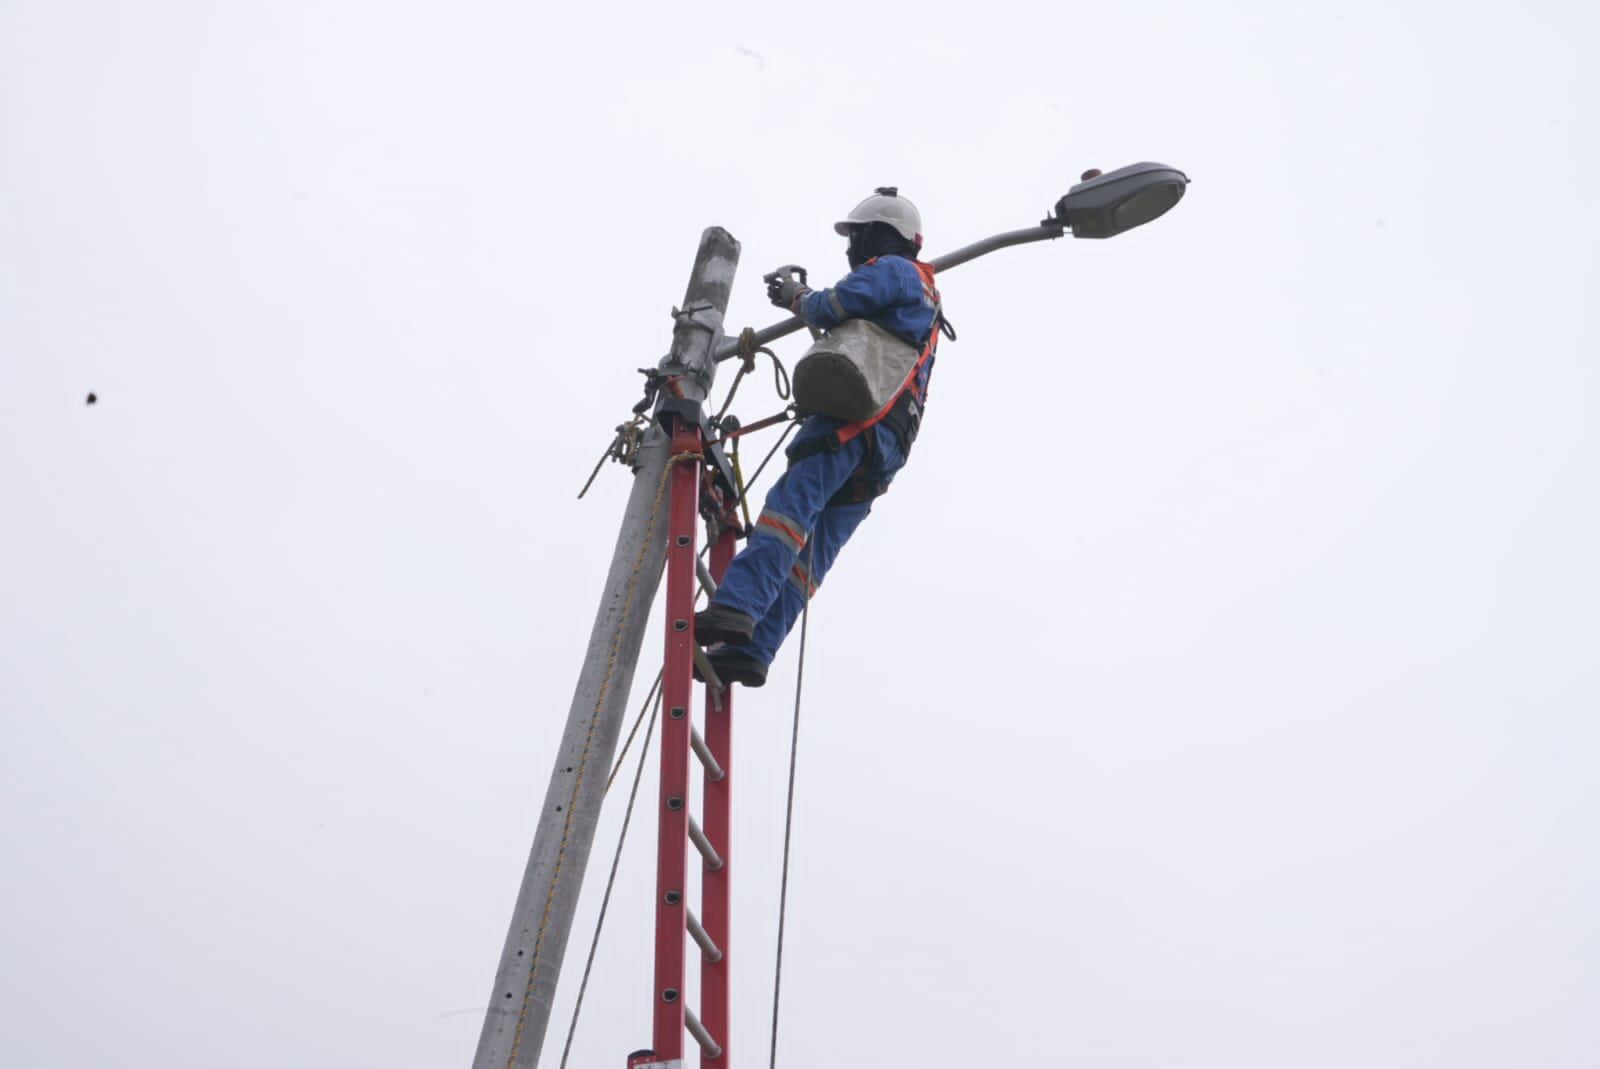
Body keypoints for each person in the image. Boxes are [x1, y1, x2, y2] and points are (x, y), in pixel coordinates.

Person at [693, 187, 944, 687]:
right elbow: (859, 340)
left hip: (853, 421)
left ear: (880, 235)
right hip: (886, 447)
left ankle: (737, 608)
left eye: (857, 237)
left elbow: (834, 306)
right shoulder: (925, 298)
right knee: (810, 559)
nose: (851, 250)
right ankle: (754, 650)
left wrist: (798, 298)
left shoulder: (894, 271)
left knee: (788, 514)